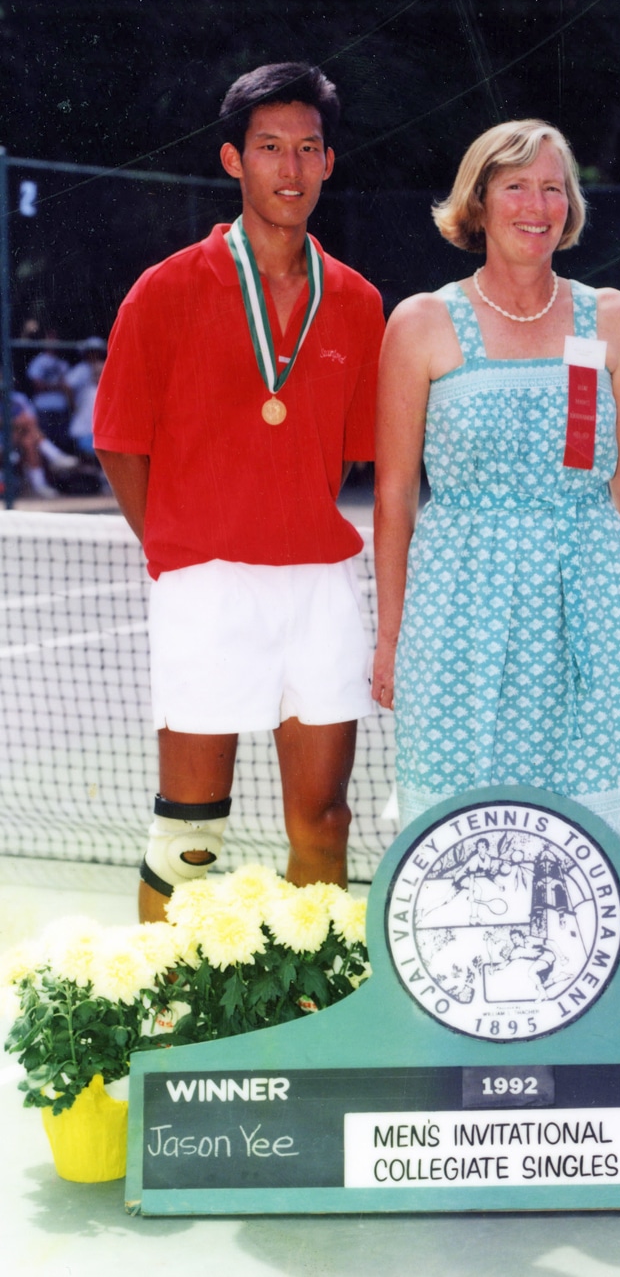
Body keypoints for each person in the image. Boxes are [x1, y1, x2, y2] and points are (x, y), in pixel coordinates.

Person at [94, 63, 384, 921]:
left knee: (324, 821)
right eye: (268, 148)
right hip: (206, 583)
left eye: (307, 149)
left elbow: (349, 455)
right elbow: (119, 443)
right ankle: (159, 992)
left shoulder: (358, 302)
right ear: (233, 160)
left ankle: (317, 985)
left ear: (328, 162)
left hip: (320, 586)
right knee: (189, 837)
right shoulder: (165, 289)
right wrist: (179, 550)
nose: (290, 169)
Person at [372, 119, 620, 884]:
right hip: (460, 610)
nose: (536, 206)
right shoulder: (421, 323)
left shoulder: (613, 318)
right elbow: (395, 492)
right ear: (477, 201)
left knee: (592, 841)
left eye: (551, 188)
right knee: (464, 829)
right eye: (515, 187)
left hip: (593, 606)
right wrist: (390, 636)